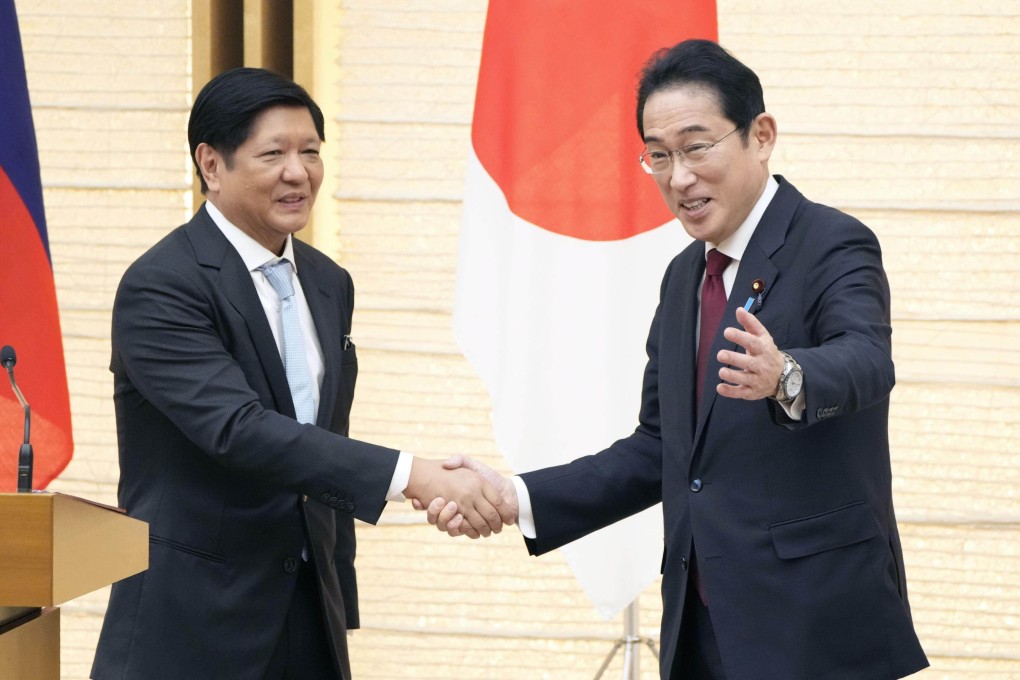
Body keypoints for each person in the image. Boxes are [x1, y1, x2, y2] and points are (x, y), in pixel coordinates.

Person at [425, 40, 929, 679]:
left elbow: (866, 362)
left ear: (761, 135)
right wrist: (517, 495)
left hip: (816, 626)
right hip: (703, 627)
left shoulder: (833, 242)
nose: (678, 177)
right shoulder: (684, 275)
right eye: (657, 156)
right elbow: (658, 448)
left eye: (696, 147)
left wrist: (787, 376)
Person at [91, 67, 512, 680]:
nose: (299, 172)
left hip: (308, 617)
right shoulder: (163, 285)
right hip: (192, 624)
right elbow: (239, 429)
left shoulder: (326, 281)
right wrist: (413, 475)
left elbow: (323, 443)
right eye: (274, 154)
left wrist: (338, 596)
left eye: (311, 151)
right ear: (212, 165)